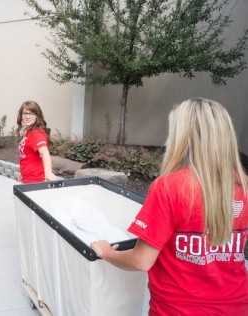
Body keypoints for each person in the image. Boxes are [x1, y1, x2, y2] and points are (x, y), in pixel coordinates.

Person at [91, 97, 248, 316]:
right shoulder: (243, 185)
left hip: (177, 310)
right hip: (237, 307)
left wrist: (107, 253)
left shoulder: (169, 187)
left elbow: (141, 261)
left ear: (182, 137)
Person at [16, 100, 57, 183]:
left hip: (36, 180)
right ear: (21, 116)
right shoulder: (29, 131)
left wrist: (48, 172)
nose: (27, 117)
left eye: (31, 113)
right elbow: (29, 156)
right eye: (25, 113)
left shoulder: (36, 133)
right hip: (28, 178)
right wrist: (23, 173)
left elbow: (44, 153)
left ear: (37, 116)